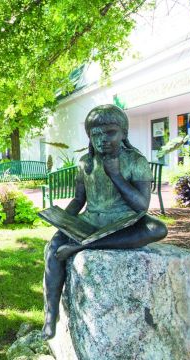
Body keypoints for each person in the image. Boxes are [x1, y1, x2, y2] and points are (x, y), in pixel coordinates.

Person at [42, 105, 167, 339]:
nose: (102, 140)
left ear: (124, 133)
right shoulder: (85, 163)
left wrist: (116, 175)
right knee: (53, 248)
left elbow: (141, 206)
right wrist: (62, 220)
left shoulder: (135, 160)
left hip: (123, 221)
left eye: (109, 132)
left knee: (157, 228)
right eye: (95, 134)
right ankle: (50, 315)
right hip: (91, 221)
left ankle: (84, 247)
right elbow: (79, 200)